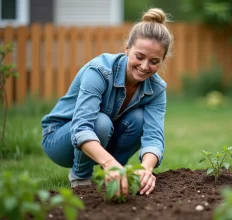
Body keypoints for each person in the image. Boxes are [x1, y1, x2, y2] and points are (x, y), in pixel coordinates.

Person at [41, 8, 173, 197]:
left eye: (154, 61)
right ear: (127, 49)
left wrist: (146, 168)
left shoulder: (157, 89)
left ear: (162, 60)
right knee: (100, 121)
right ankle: (81, 177)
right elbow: (81, 128)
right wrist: (109, 162)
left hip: (102, 139)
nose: (145, 66)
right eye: (139, 56)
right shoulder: (100, 71)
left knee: (139, 118)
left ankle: (114, 175)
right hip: (60, 139)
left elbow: (154, 137)